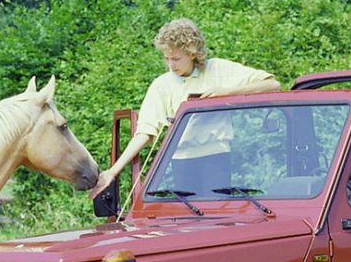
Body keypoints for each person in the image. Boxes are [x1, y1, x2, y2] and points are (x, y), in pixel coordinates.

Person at [89, 18, 281, 199]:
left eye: (176, 59)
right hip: (181, 161)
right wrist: (113, 171)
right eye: (167, 59)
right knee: (189, 220)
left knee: (217, 216)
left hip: (218, 156)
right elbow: (145, 132)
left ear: (192, 53)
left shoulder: (218, 69)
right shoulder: (161, 85)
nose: (171, 65)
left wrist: (227, 92)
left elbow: (272, 85)